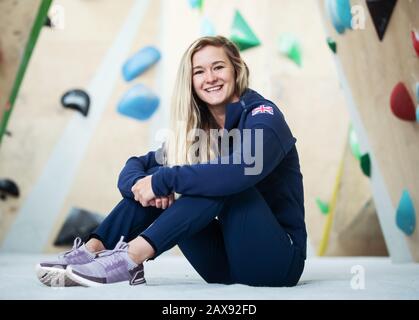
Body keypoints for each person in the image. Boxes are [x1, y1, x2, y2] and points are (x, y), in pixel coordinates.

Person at [36, 35, 307, 288]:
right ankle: (94, 249)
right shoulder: (202, 132)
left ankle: (131, 258)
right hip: (222, 265)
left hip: (277, 261)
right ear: (190, 81)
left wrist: (163, 181)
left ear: (236, 70)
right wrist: (147, 185)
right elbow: (138, 165)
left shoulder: (263, 116)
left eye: (218, 67)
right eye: (199, 71)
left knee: (216, 179)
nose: (210, 78)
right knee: (172, 173)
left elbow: (239, 171)